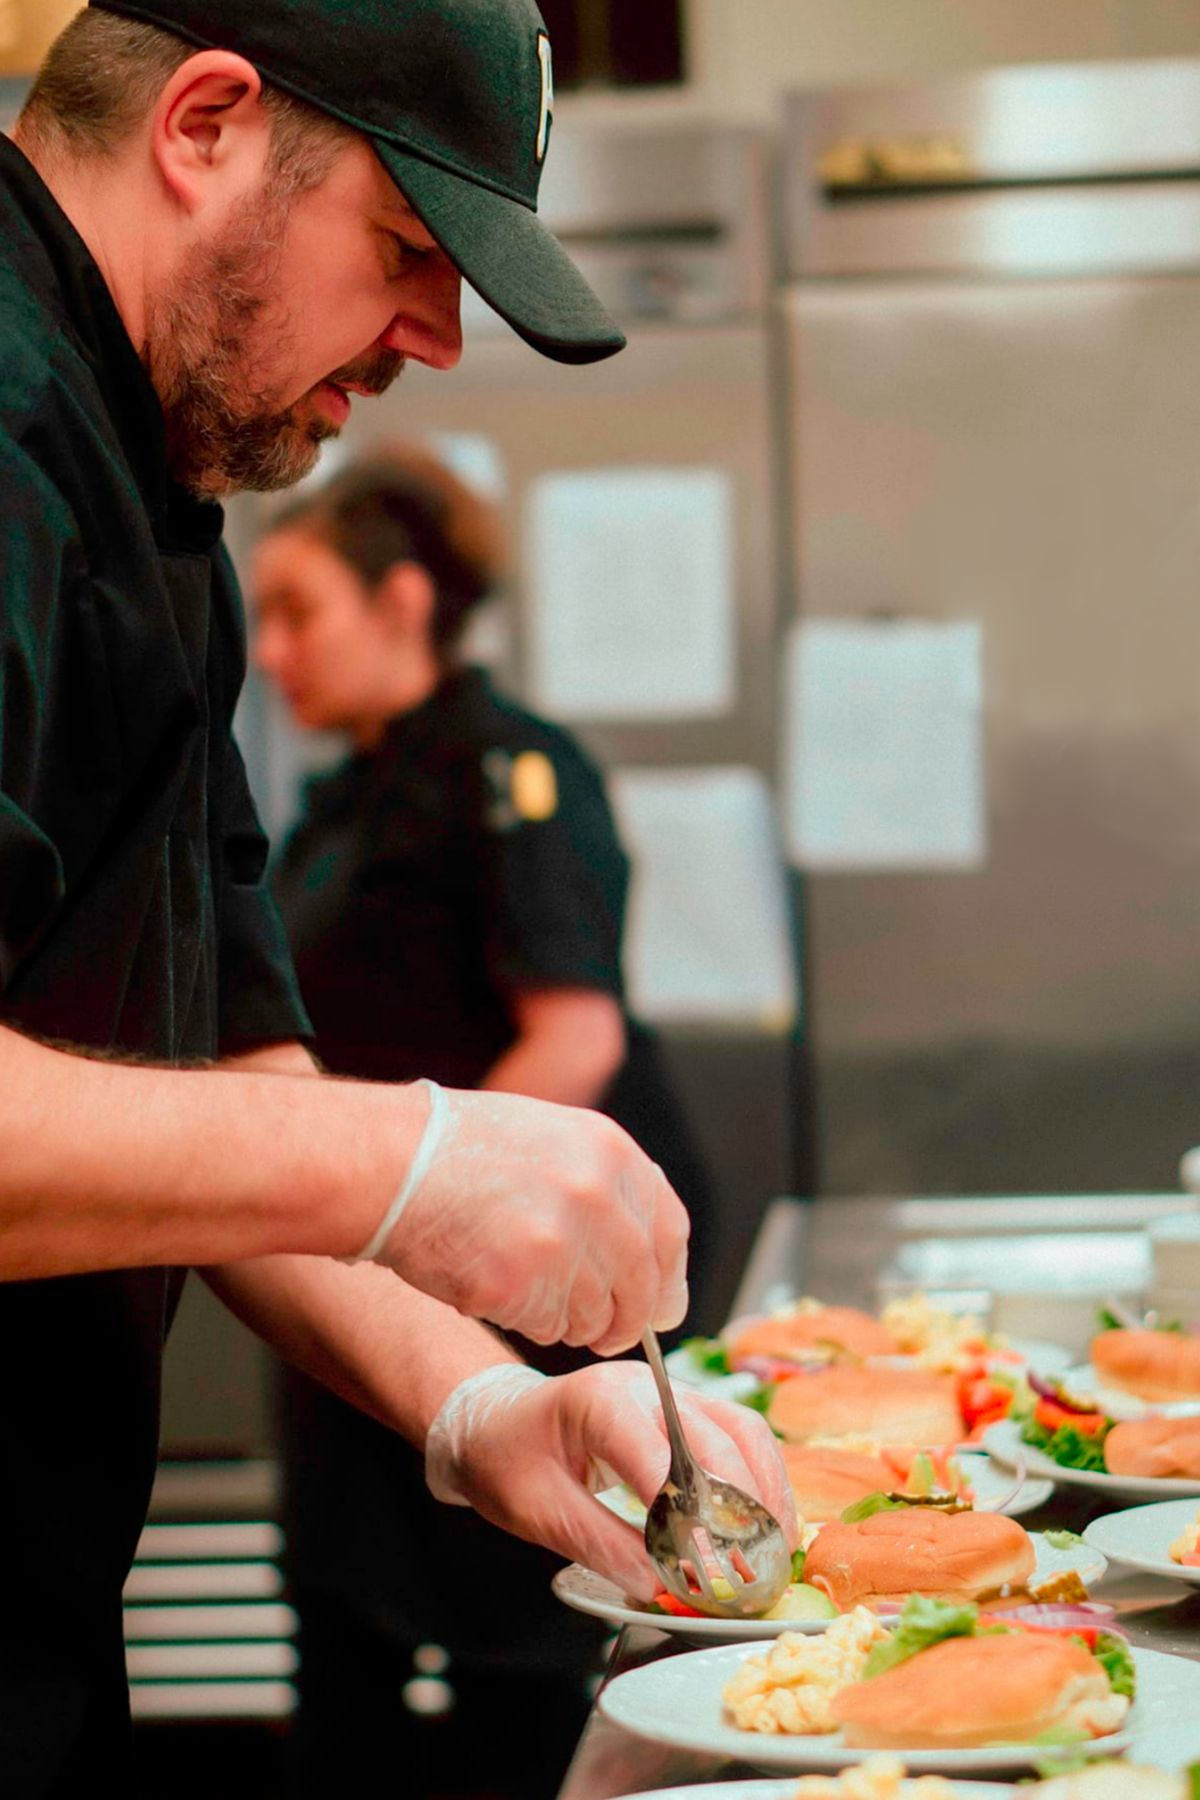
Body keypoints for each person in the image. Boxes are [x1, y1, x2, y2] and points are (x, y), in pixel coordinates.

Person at [0, 2, 795, 1793]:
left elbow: (229, 1087)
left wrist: (474, 1401)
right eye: (410, 250)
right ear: (204, 123)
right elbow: (321, 1151)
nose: (437, 339)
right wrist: (417, 1165)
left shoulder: (155, 504)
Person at [251, 445, 720, 1797]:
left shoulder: (513, 769)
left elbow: (575, 1033)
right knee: (344, 1621)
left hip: (513, 1276)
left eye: (299, 613)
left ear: (402, 602)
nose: (271, 652)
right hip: (368, 1256)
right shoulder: (346, 791)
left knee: (520, 1644)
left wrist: (413, 1204)